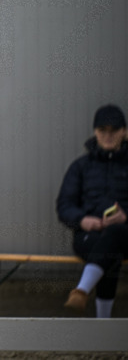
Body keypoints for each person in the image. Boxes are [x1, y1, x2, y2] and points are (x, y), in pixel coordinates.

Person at [56, 104, 128, 317]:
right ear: (95, 132)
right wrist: (83, 220)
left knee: (115, 235)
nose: (108, 135)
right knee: (108, 251)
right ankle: (103, 323)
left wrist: (125, 216)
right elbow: (64, 205)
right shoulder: (80, 166)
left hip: (125, 234)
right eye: (102, 130)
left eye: (113, 130)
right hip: (88, 236)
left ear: (124, 131)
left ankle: (82, 290)